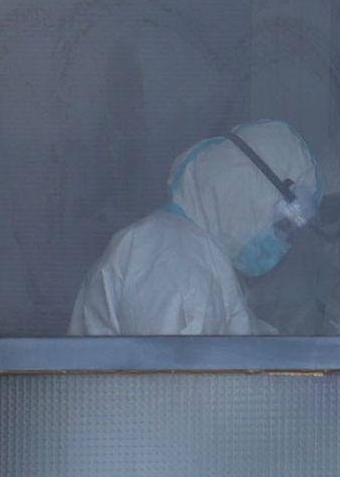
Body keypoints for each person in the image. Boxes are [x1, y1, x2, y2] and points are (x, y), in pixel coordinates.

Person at [69, 119, 321, 335]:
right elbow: (175, 385)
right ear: (250, 193)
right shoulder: (175, 265)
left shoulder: (194, 251)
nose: (283, 244)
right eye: (285, 224)